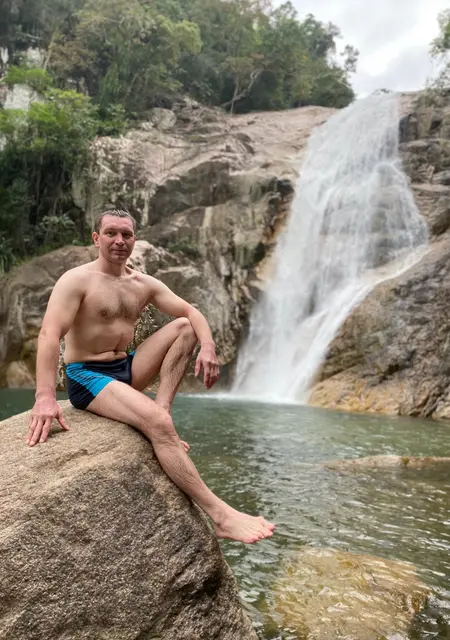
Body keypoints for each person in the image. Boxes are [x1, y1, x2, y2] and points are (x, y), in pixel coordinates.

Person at [27, 209, 275, 544]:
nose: (119, 241)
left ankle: (162, 412)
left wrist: (208, 346)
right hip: (87, 375)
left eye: (126, 234)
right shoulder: (76, 280)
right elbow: (48, 334)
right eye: (111, 233)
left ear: (134, 239)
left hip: (125, 369)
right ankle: (221, 516)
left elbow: (191, 311)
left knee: (185, 327)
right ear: (96, 238)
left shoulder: (142, 283)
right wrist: (44, 396)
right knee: (158, 425)